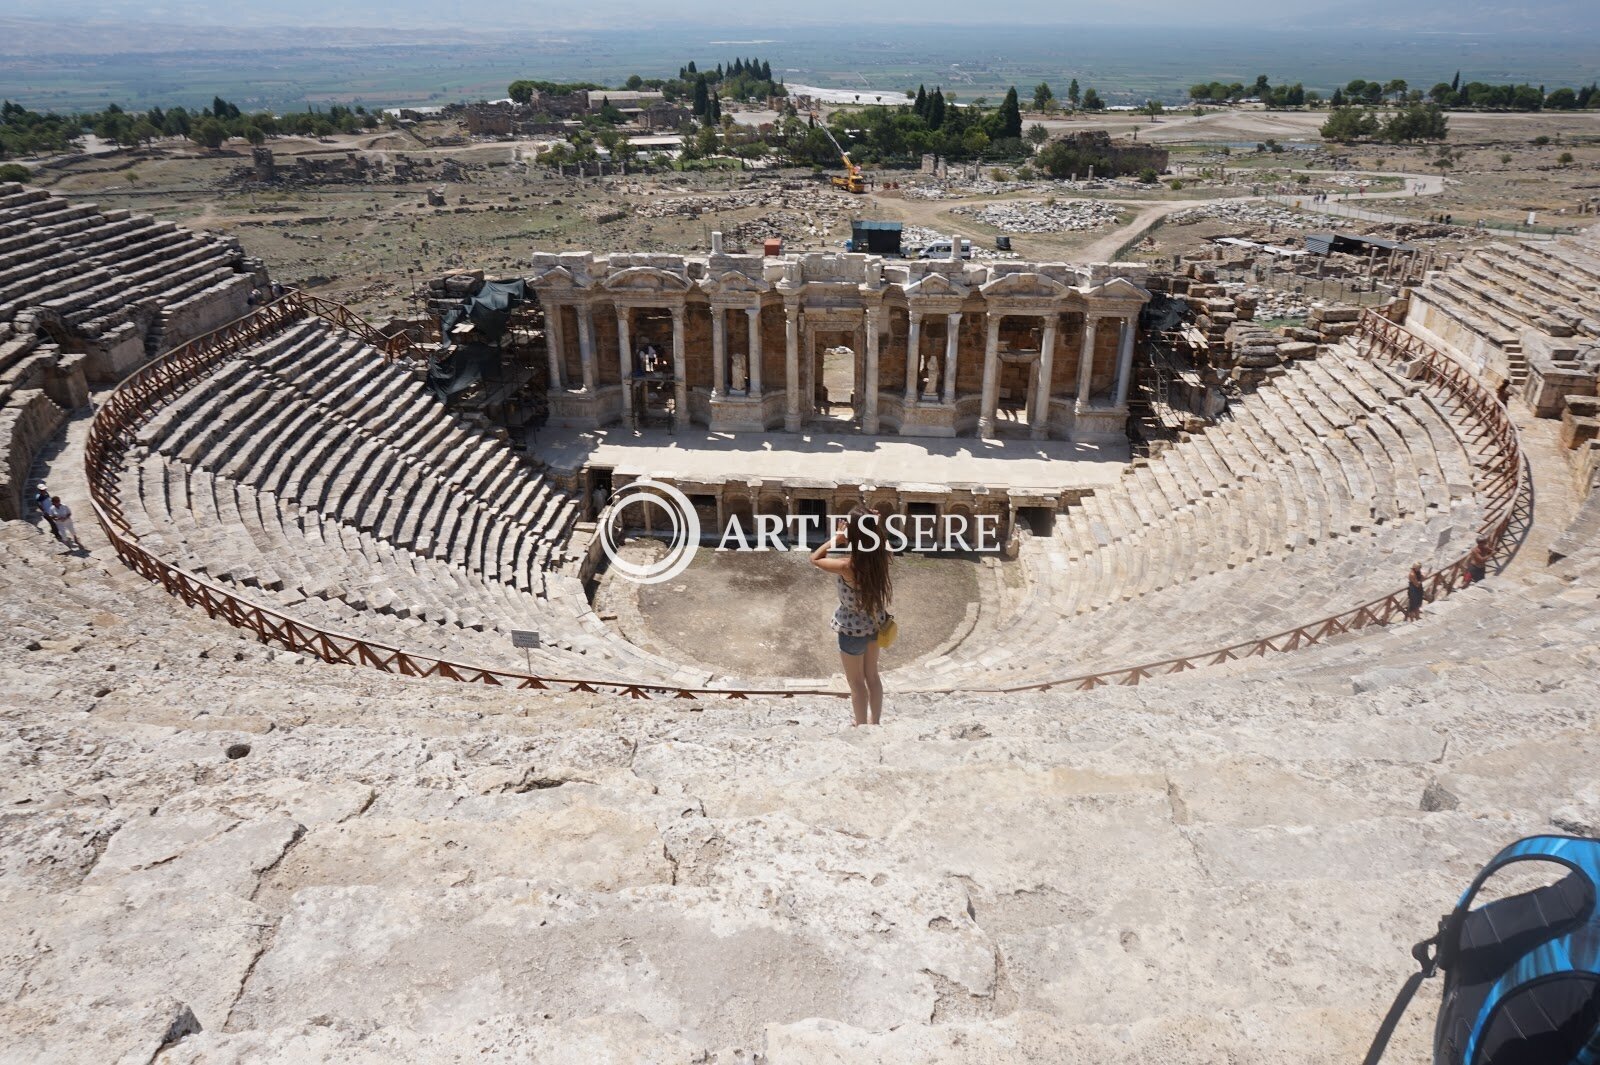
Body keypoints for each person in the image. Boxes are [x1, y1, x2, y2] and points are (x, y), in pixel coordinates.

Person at [810, 505, 893, 727]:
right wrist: (875, 527)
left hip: (852, 630)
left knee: (856, 683)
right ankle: (874, 722)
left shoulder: (847, 565)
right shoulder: (881, 556)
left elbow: (815, 558)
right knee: (872, 677)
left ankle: (860, 724)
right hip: (875, 625)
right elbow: (882, 543)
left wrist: (836, 539)